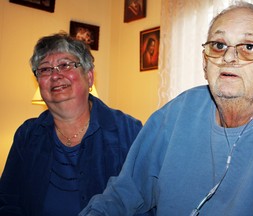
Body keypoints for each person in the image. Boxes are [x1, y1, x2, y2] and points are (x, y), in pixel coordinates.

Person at [79, 2, 253, 215]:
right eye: (218, 45)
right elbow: (123, 194)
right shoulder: (176, 113)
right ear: (205, 63)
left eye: (249, 47)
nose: (228, 57)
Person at [0, 33, 148, 216]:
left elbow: (145, 202)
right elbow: (8, 201)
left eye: (65, 65)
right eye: (45, 69)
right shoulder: (27, 135)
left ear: (89, 76)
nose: (55, 75)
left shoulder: (128, 131)